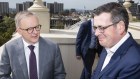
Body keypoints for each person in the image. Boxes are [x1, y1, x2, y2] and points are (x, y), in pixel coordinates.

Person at [0, 11, 66, 79]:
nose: (35, 32)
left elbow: (60, 74)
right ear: (19, 31)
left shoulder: (53, 47)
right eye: (30, 29)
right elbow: (3, 75)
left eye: (37, 27)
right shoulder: (9, 48)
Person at [91, 2, 140, 79]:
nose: (96, 33)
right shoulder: (108, 46)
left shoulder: (135, 62)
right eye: (95, 28)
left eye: (101, 27)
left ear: (120, 27)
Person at [76, 14, 102, 79]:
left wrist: (100, 51)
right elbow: (79, 38)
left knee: (87, 67)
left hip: (93, 50)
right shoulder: (85, 25)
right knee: (88, 70)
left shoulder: (99, 25)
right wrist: (78, 53)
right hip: (86, 50)